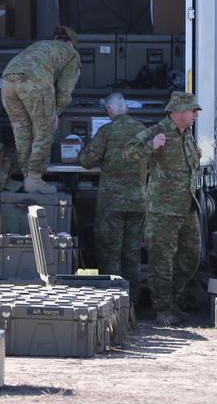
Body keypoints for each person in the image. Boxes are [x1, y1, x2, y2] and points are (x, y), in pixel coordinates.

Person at [122, 90, 202, 327]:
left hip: (187, 207)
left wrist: (196, 155)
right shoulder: (158, 131)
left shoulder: (186, 133)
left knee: (190, 257)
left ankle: (172, 300)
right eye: (192, 110)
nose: (196, 114)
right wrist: (151, 146)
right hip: (163, 210)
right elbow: (128, 153)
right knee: (162, 261)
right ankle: (162, 309)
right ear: (177, 112)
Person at [77, 92, 147, 305]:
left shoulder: (107, 131)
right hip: (138, 202)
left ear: (109, 111)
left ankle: (112, 304)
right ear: (126, 108)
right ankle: (132, 305)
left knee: (110, 253)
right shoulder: (143, 131)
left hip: (112, 204)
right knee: (132, 254)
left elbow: (87, 160)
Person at [1, 26, 81, 194]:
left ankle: (26, 176)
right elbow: (65, 89)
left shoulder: (42, 45)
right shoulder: (71, 53)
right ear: (70, 43)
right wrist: (56, 112)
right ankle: (35, 178)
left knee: (21, 129)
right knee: (44, 128)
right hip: (34, 81)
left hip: (8, 79)